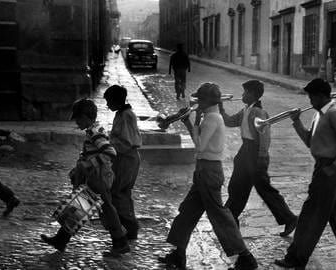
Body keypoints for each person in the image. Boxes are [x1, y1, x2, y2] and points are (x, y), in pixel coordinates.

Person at [159, 83, 258, 270]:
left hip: (209, 171)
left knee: (220, 217)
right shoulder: (209, 117)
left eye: (200, 99)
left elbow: (199, 146)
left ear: (208, 101)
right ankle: (178, 254)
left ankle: (245, 257)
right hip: (204, 170)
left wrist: (190, 122)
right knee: (187, 211)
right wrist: (194, 121)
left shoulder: (212, 118)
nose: (198, 102)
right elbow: (200, 142)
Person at [274, 78, 336, 269]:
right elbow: (310, 141)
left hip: (329, 170)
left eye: (311, 97)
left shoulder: (335, 113)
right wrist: (296, 121)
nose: (309, 101)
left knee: (311, 215)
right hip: (324, 168)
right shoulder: (319, 114)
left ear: (320, 96)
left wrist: (334, 167)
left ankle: (295, 258)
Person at [40, 99, 130, 257]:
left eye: (77, 118)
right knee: (81, 207)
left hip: (99, 178)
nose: (76, 122)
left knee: (104, 209)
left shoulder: (95, 132)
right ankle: (61, 240)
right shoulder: (93, 130)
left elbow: (110, 152)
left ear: (86, 117)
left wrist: (88, 165)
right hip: (96, 177)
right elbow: (92, 153)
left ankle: (120, 242)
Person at [219, 79, 297, 236]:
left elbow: (265, 137)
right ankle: (231, 220)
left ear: (253, 94)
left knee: (265, 190)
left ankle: (289, 219)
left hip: (255, 153)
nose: (242, 95)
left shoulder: (258, 112)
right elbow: (229, 121)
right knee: (236, 186)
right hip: (244, 151)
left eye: (245, 92)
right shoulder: (245, 110)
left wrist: (261, 158)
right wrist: (220, 107)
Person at [103, 85, 142, 240]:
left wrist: (107, 146)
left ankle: (131, 226)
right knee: (122, 192)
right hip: (126, 157)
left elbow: (125, 142)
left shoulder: (126, 115)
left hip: (126, 158)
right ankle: (129, 226)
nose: (107, 105)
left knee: (119, 192)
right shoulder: (122, 113)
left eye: (108, 102)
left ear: (116, 100)